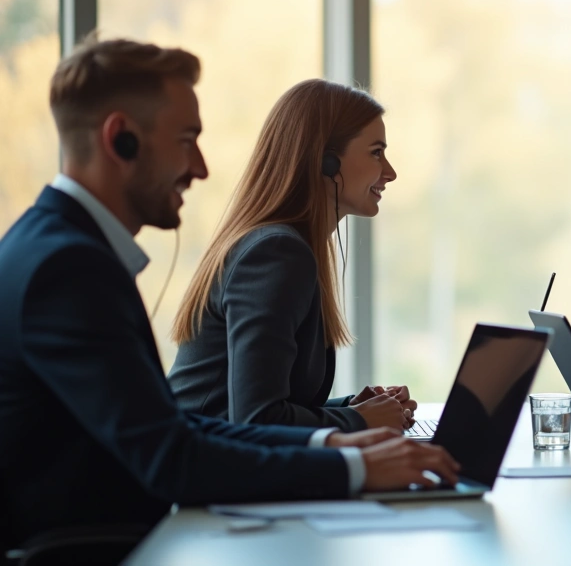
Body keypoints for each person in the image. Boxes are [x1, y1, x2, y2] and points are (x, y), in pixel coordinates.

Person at [0, 37, 458, 553]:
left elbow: (177, 425)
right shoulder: (67, 269)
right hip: (100, 545)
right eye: (186, 140)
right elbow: (172, 455)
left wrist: (337, 440)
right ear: (121, 139)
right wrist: (351, 460)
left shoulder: (56, 249)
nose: (201, 168)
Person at [167, 79, 413, 433]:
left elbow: (269, 406)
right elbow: (257, 419)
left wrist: (355, 409)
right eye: (376, 152)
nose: (389, 173)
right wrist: (357, 421)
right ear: (325, 161)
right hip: (206, 477)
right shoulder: (276, 253)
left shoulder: (286, 246)